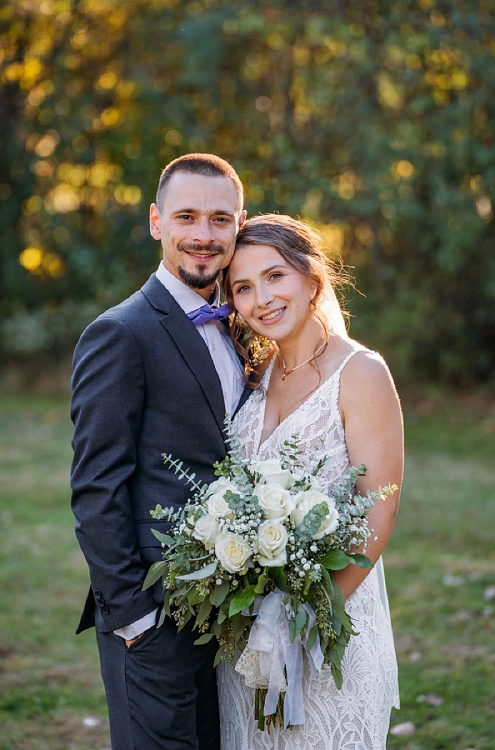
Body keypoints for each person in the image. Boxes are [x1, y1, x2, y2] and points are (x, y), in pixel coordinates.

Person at [70, 153, 247, 750]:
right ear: (156, 222)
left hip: (227, 611)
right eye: (187, 216)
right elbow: (97, 488)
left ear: (239, 225)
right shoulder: (121, 332)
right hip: (152, 617)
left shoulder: (244, 325)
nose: (203, 234)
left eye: (220, 220)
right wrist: (133, 619)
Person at [218, 214, 403, 750]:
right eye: (244, 288)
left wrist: (301, 624)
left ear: (312, 275)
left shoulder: (362, 373)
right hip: (246, 640)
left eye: (275, 276)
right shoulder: (251, 374)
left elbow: (379, 508)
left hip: (326, 629)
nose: (262, 299)